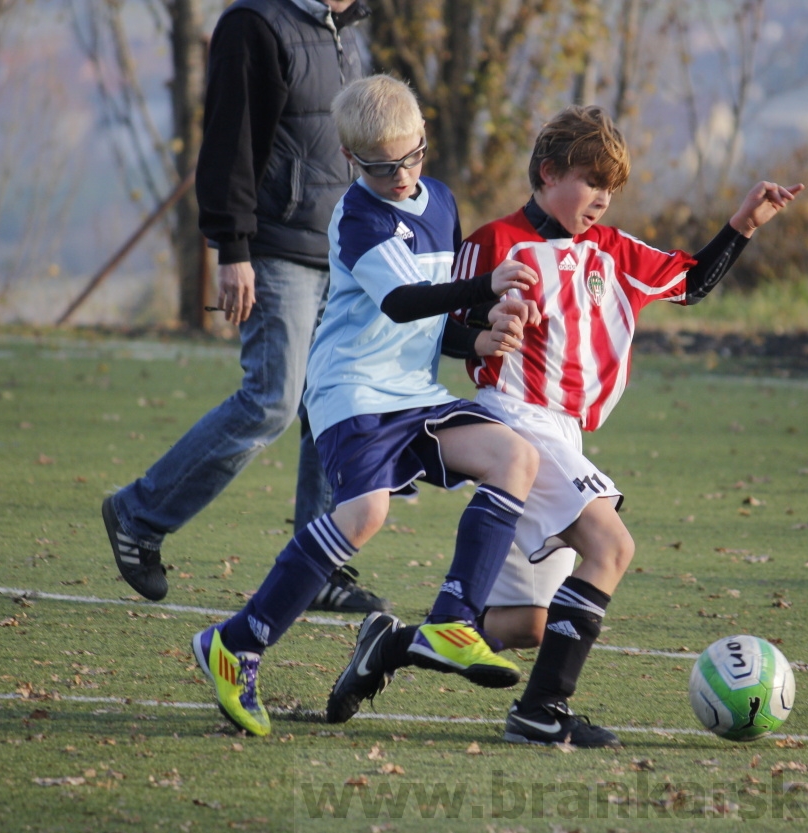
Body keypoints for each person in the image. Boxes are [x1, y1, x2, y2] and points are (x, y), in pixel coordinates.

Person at [327, 104, 803, 747]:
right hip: (514, 423)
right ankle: (542, 711)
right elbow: (442, 328)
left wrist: (744, 225)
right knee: (612, 547)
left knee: (524, 625)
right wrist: (485, 340)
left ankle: (388, 649)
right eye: (591, 183)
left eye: (612, 189)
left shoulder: (612, 252)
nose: (603, 200)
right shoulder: (494, 244)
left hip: (564, 434)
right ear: (548, 174)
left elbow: (689, 285)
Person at [190, 74, 544, 737]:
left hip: (412, 391)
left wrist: (480, 333)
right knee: (364, 513)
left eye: (413, 157)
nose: (404, 176)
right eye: (383, 168)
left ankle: (452, 620)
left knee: (514, 458)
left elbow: (436, 322)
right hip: (350, 390)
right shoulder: (359, 217)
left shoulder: (439, 200)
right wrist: (485, 283)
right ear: (354, 163)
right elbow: (402, 302)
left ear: (424, 140)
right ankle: (237, 642)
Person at [102, 0, 388, 613]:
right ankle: (138, 514)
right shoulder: (255, 23)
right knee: (272, 400)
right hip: (273, 246)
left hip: (337, 249)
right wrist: (232, 247)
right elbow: (228, 140)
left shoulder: (346, 32)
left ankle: (319, 565)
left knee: (331, 407)